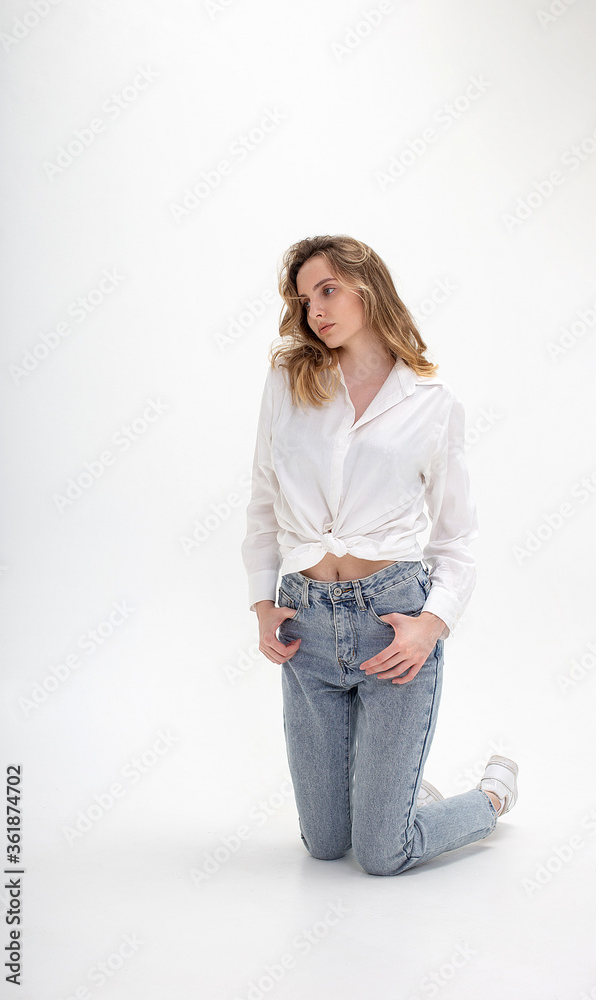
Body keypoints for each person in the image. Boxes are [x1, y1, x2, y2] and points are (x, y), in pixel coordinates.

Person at [241, 234, 518, 877]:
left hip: (392, 621)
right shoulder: (288, 380)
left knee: (381, 854)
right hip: (305, 622)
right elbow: (261, 500)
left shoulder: (431, 402)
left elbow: (457, 539)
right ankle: (397, 799)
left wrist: (433, 624)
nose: (316, 309)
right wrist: (261, 601)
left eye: (329, 290)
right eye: (306, 297)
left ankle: (490, 797)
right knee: (325, 843)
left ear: (369, 289)